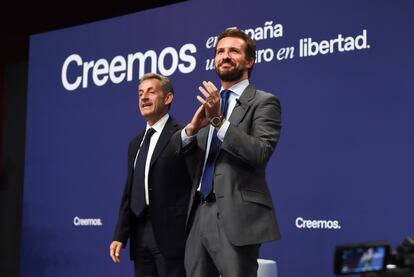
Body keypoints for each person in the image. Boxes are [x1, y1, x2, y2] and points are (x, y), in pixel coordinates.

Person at [181, 28, 282, 277]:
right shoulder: (209, 106)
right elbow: (187, 161)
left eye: (233, 51)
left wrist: (219, 122)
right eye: (220, 51)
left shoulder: (264, 101)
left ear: (249, 61)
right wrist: (191, 130)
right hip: (198, 214)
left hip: (236, 216)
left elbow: (260, 152)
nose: (225, 56)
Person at [110, 73, 191, 277]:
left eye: (151, 92)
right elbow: (130, 191)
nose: (144, 98)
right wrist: (120, 235)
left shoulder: (182, 134)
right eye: (140, 93)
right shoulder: (134, 144)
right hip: (140, 233)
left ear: (168, 98)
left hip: (171, 236)